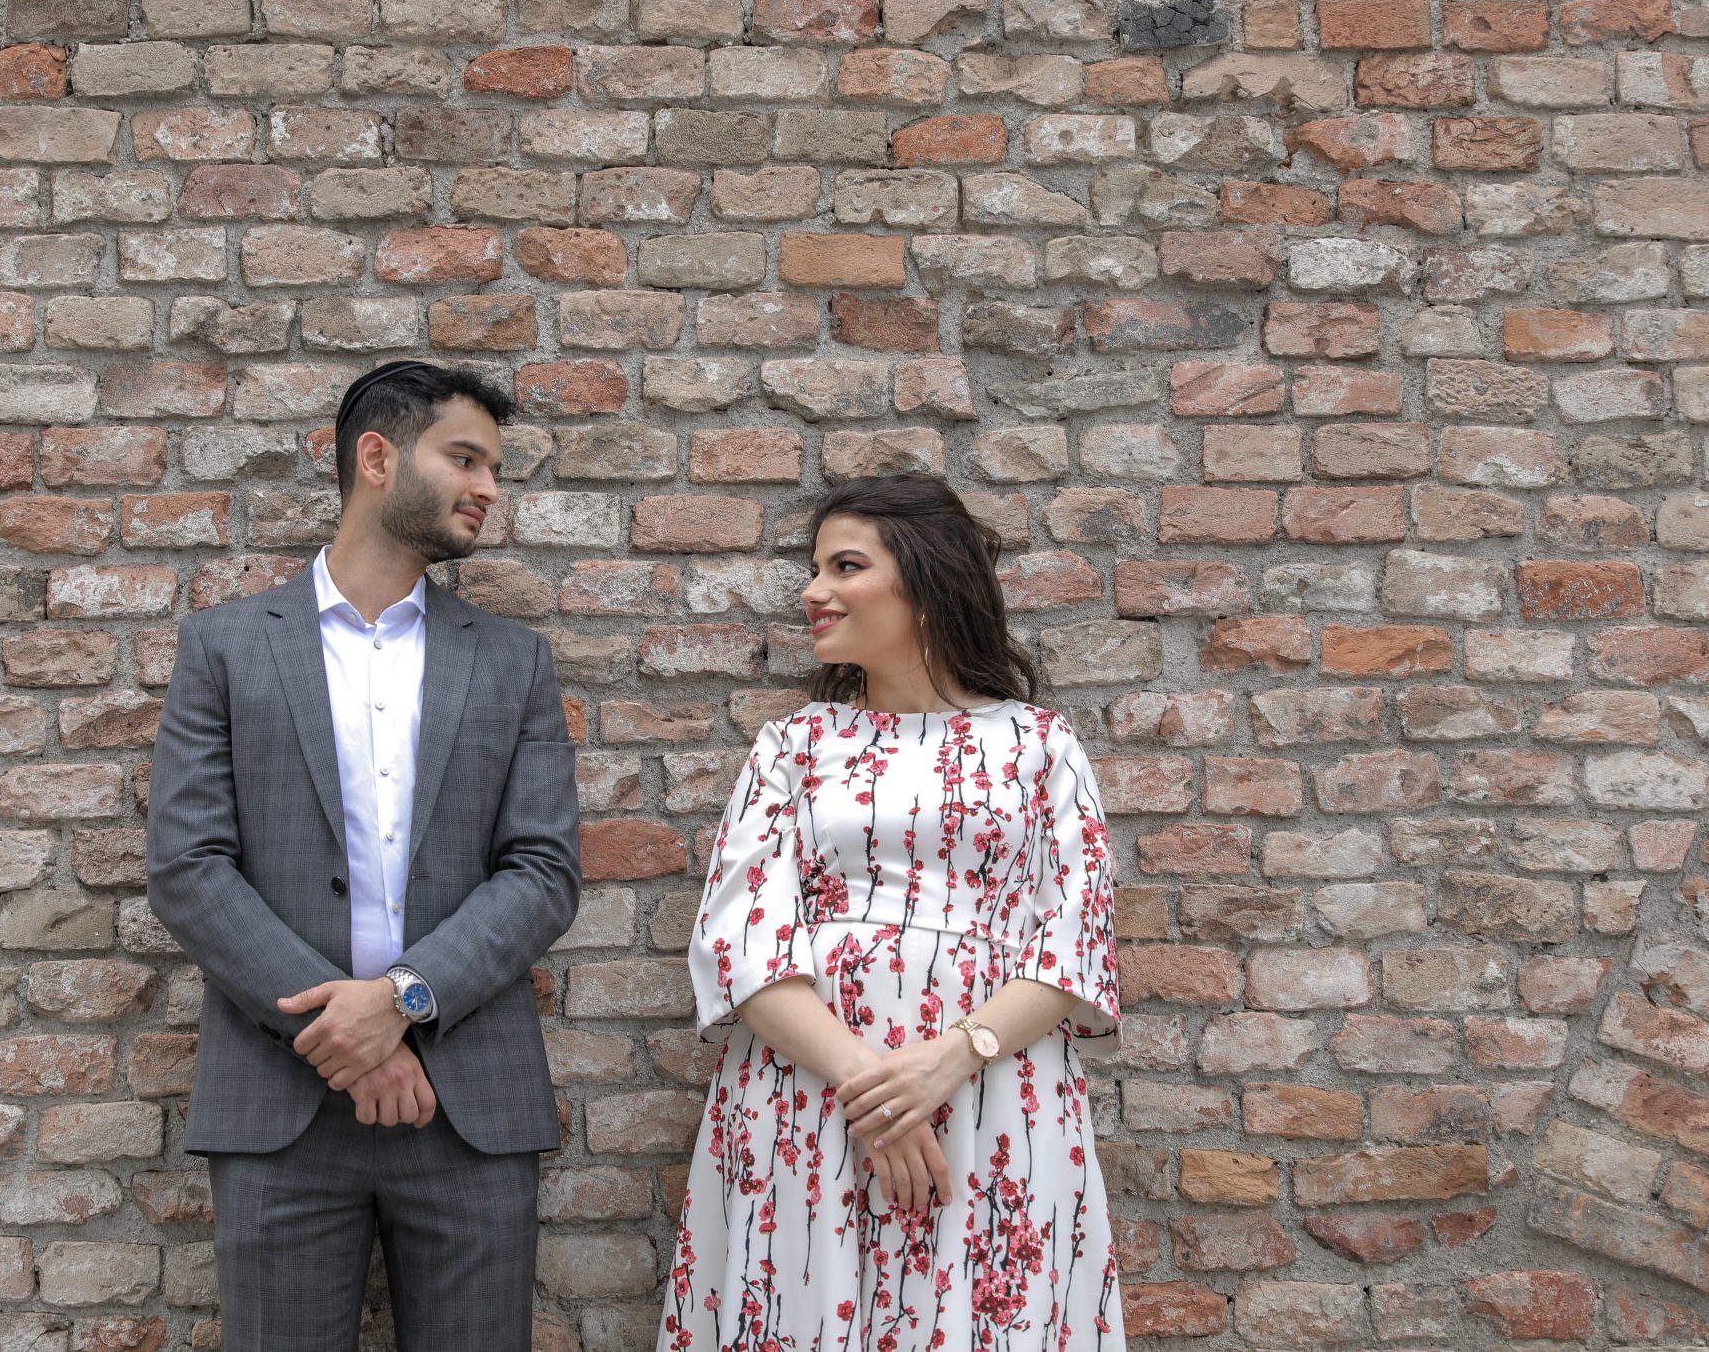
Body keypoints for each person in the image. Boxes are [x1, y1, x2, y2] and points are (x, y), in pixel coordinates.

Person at [147, 360, 580, 1351]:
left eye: (494, 467)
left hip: (467, 1102)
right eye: (464, 458)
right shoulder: (225, 647)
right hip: (280, 1105)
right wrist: (344, 1036)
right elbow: (188, 866)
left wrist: (402, 1001)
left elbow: (543, 870)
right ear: (376, 458)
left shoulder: (511, 660)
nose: (488, 487)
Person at [660, 474, 1124, 1351]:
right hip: (811, 1090)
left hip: (992, 1091)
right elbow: (743, 942)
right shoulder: (795, 745)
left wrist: (949, 1061)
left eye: (844, 566)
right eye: (814, 568)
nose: (813, 590)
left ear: (926, 580)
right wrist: (875, 1092)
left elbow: (1074, 942)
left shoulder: (1041, 745)